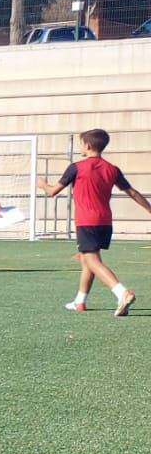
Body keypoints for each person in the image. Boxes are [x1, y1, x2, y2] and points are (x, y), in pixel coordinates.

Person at [49, 128, 148, 316]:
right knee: (89, 260)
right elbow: (132, 192)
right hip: (105, 221)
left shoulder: (76, 167)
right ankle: (80, 301)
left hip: (86, 221)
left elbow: (52, 192)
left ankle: (122, 292)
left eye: (81, 144)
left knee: (91, 260)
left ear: (87, 145)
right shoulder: (112, 169)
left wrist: (42, 184)